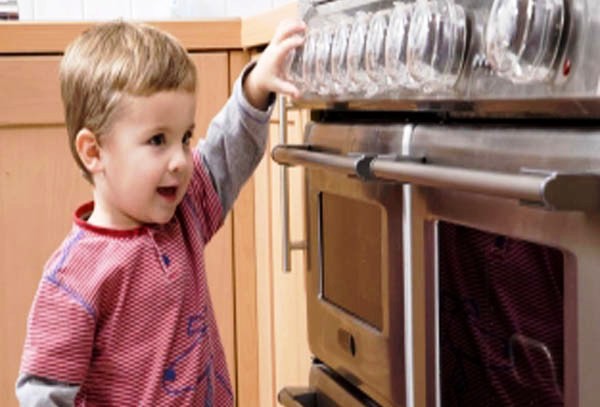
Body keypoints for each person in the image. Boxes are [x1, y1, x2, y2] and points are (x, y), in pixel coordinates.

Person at [15, 18, 305, 406]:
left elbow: (223, 153)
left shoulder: (185, 212)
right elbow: (43, 395)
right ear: (94, 152)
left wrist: (254, 88)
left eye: (184, 138)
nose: (180, 161)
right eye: (157, 140)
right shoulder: (72, 281)